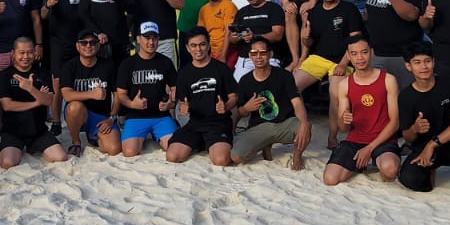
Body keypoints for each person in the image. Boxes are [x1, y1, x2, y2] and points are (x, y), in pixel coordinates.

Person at [395, 45, 450, 201]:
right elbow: (407, 137)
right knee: (409, 178)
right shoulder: (406, 96)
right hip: (424, 147)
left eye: (427, 61)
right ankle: (430, 171)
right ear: (408, 66)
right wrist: (414, 129)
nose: (424, 66)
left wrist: (432, 144)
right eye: (417, 62)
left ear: (434, 62)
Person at [294, 0, 364, 148]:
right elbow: (308, 42)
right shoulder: (313, 13)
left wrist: (343, 63)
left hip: (343, 58)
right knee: (291, 86)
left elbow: (355, 40)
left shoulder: (349, 9)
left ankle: (332, 137)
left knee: (335, 92)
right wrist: (305, 38)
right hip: (318, 58)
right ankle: (302, 126)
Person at [324, 37, 402, 186]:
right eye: (354, 53)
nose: (359, 58)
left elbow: (395, 123)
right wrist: (344, 120)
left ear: (371, 52)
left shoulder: (388, 80)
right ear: (348, 56)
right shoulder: (345, 84)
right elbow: (343, 128)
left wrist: (369, 148)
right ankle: (360, 163)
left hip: (383, 139)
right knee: (330, 179)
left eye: (364, 52)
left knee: (390, 169)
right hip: (356, 139)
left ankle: (369, 159)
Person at [230, 38, 311, 169]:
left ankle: (296, 157)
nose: (258, 57)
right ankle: (264, 145)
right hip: (258, 126)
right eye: (254, 53)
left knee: (305, 128)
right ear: (250, 55)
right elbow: (240, 112)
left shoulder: (284, 75)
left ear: (270, 54)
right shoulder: (245, 81)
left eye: (262, 52)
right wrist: (247, 107)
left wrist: (304, 122)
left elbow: (297, 102)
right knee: (236, 157)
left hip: (284, 123)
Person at [166, 30, 238, 166]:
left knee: (221, 160)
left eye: (202, 44)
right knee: (172, 156)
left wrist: (226, 106)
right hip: (195, 124)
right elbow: (183, 102)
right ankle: (201, 143)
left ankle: (211, 144)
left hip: (218, 124)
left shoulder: (221, 69)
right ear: (187, 48)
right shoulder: (184, 73)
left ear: (208, 45)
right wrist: (183, 108)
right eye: (193, 45)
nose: (198, 49)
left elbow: (234, 97)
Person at [0, 37, 68, 167]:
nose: (26, 56)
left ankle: (32, 146)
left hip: (38, 130)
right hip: (13, 131)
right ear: (13, 54)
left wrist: (31, 89)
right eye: (21, 52)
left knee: (60, 157)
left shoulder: (42, 73)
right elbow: (7, 105)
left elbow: (48, 100)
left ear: (35, 53)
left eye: (30, 52)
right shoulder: (5, 75)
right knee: (7, 162)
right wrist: (37, 102)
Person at [362, 0, 426, 88]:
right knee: (380, 95)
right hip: (377, 54)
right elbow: (371, 8)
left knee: (406, 94)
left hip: (403, 55)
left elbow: (412, 15)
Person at [114, 22, 179, 157]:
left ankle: (158, 135)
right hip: (136, 115)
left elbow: (175, 88)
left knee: (172, 148)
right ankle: (142, 136)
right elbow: (121, 94)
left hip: (161, 116)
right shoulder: (127, 64)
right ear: (138, 39)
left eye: (154, 38)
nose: (151, 42)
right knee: (129, 152)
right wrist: (132, 104)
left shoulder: (165, 62)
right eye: (147, 38)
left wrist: (171, 103)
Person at [59, 28, 120, 157]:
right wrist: (92, 94)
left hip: (101, 116)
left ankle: (94, 136)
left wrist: (112, 117)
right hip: (78, 114)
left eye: (93, 42)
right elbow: (67, 95)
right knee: (75, 107)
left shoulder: (108, 65)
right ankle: (76, 142)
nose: (88, 45)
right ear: (77, 46)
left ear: (98, 45)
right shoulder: (69, 66)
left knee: (114, 149)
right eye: (84, 42)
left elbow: (117, 94)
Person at [81, 0, 136, 73]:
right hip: (96, 43)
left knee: (121, 76)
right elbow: (82, 14)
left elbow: (133, 9)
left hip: (120, 43)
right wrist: (97, 33)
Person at [231, 0, 287, 81]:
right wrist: (237, 37)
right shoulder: (242, 12)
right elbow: (232, 39)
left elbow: (278, 35)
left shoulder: (274, 9)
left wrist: (255, 37)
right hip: (246, 58)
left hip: (269, 56)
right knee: (238, 86)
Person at [194, 0, 239, 66]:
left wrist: (223, 55)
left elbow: (229, 32)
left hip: (228, 51)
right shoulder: (203, 9)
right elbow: (201, 33)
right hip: (211, 52)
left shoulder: (228, 6)